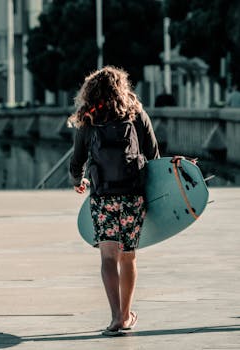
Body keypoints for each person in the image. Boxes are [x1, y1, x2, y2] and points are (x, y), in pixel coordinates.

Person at [68, 66, 160, 336]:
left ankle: (114, 318)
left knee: (108, 257)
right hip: (132, 196)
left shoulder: (89, 118)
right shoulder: (135, 113)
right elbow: (153, 155)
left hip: (103, 197)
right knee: (128, 257)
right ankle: (126, 315)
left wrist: (79, 182)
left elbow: (77, 162)